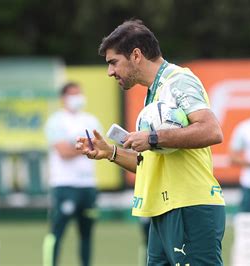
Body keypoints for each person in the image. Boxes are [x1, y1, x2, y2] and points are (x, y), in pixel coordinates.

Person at [75, 20, 226, 265]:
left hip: (189, 207)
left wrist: (152, 138)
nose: (110, 72)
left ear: (136, 55)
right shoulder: (153, 93)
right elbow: (150, 164)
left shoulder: (178, 80)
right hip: (163, 211)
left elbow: (212, 130)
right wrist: (111, 152)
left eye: (114, 62)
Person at [43, 82, 102, 266]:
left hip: (88, 186)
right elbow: (63, 152)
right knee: (57, 232)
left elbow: (100, 147)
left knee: (87, 234)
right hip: (64, 185)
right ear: (63, 98)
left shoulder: (91, 121)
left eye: (79, 93)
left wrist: (78, 147)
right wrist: (86, 147)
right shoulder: (56, 121)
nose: (77, 98)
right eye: (72, 94)